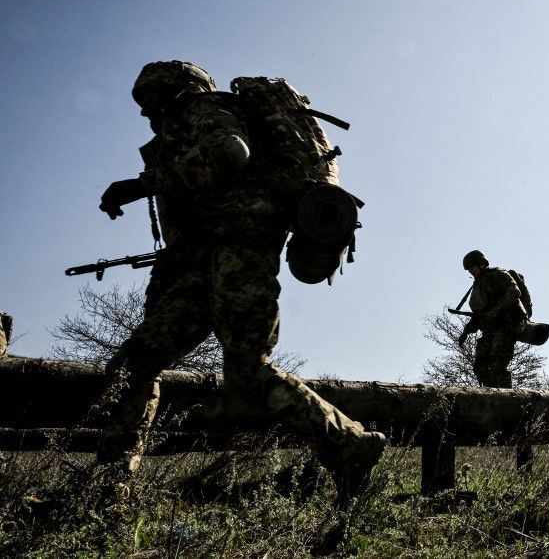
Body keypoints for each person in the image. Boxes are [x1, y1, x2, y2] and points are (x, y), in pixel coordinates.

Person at [92, 60, 385, 508]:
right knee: (136, 363)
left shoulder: (200, 106)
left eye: (150, 95)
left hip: (242, 251)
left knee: (249, 372)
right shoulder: (173, 130)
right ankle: (109, 490)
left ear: (176, 87)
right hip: (203, 263)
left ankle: (351, 446)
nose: (144, 109)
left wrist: (142, 184)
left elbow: (231, 153)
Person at [456, 250, 527, 389]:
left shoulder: (498, 274)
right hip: (489, 330)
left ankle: (507, 398)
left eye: (472, 267)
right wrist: (466, 331)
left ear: (481, 264)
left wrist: (495, 311)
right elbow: (479, 315)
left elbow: (514, 291)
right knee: (479, 367)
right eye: (468, 269)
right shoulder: (477, 285)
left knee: (497, 366)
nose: (470, 271)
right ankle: (490, 395)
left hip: (506, 327)